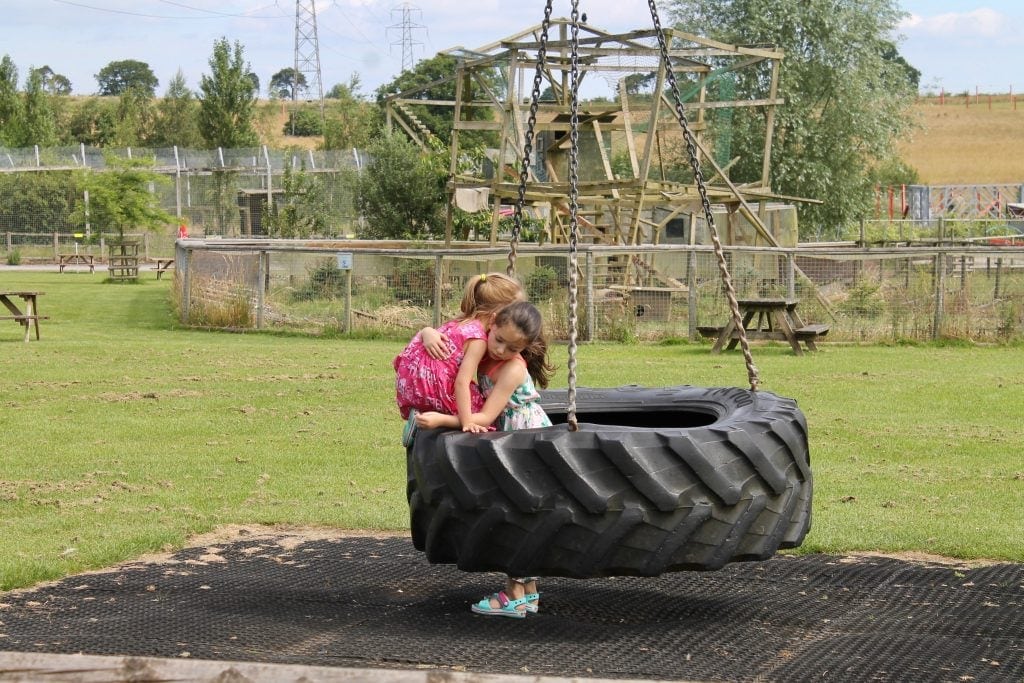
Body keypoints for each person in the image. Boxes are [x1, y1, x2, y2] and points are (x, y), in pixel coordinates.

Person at [413, 300, 555, 618]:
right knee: (520, 509)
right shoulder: (481, 345)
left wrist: (442, 420)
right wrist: (426, 332)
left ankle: (514, 594)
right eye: (499, 340)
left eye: (511, 346)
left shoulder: (513, 369)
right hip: (512, 437)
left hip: (525, 438)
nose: (501, 350)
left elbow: (487, 415)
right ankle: (528, 594)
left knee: (518, 512)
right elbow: (449, 331)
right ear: (491, 325)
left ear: (525, 348)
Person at [394, 272, 524, 447]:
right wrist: (467, 421)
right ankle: (436, 423)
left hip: (414, 385)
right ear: (497, 315)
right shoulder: (478, 339)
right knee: (484, 415)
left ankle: (422, 418)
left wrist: (426, 331)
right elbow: (461, 382)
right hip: (436, 387)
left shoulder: (459, 323)